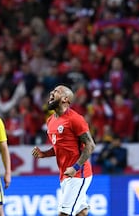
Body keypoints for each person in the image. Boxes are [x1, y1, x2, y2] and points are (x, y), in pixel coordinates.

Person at [32, 85, 96, 216]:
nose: (51, 92)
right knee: (81, 212)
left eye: (56, 91)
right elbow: (60, 147)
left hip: (78, 174)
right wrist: (44, 154)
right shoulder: (50, 121)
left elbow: (90, 145)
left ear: (65, 99)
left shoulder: (75, 119)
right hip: (65, 174)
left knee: (63, 213)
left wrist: (76, 167)